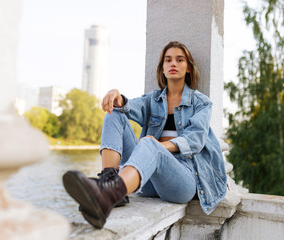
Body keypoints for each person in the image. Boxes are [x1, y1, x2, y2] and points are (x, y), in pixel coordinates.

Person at [62, 41, 227, 229]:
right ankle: (110, 182)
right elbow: (129, 106)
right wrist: (118, 96)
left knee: (150, 144)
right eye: (168, 60)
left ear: (188, 68)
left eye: (179, 60)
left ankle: (107, 196)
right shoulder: (152, 100)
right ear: (162, 68)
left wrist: (159, 146)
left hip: (183, 181)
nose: (173, 63)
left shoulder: (201, 103)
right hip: (147, 178)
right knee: (115, 112)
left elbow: (195, 140)